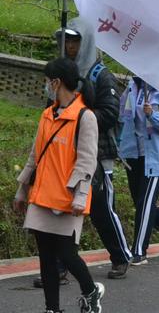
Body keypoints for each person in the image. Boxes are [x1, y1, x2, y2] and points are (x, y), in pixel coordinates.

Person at [13, 57, 104, 313]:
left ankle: (90, 291)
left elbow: (87, 161)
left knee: (66, 255)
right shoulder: (47, 114)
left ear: (56, 82)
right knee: (45, 257)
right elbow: (35, 156)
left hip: (67, 198)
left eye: (47, 81)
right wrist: (22, 190)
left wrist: (80, 196)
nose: (45, 86)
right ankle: (52, 309)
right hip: (42, 196)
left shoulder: (85, 117)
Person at [54, 17, 132, 280]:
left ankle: (120, 256)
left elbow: (111, 114)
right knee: (62, 208)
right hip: (65, 154)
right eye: (66, 41)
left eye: (75, 41)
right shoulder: (61, 75)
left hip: (99, 154)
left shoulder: (101, 75)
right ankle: (60, 266)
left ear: (85, 42)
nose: (70, 47)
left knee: (101, 211)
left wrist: (79, 117)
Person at [118, 77, 159, 265]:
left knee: (145, 202)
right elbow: (122, 115)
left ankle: (138, 251)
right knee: (139, 201)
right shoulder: (131, 87)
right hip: (133, 153)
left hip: (156, 156)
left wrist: (152, 115)